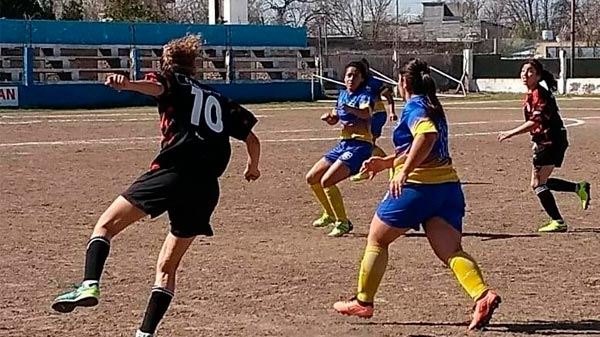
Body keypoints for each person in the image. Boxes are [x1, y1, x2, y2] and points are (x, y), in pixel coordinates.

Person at [51, 35, 261, 337]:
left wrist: (127, 85)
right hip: (205, 188)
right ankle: (144, 334)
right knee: (166, 268)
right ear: (194, 66)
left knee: (105, 227)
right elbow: (252, 138)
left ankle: (89, 284)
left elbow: (158, 87)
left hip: (173, 172)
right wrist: (252, 166)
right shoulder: (218, 97)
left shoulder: (170, 79)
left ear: (166, 63)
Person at [333, 59, 501, 331]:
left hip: (419, 188)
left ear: (404, 83)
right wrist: (387, 163)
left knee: (377, 238)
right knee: (451, 251)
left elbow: (426, 137)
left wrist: (403, 172)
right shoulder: (433, 105)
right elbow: (417, 146)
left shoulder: (414, 106)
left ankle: (363, 301)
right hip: (448, 188)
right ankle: (482, 295)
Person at [498, 59, 591, 233]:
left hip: (552, 141)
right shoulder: (532, 94)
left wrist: (510, 133)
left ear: (538, 75)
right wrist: (535, 141)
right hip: (546, 141)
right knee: (539, 183)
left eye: (530, 71)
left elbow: (535, 121)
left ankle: (558, 221)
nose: (525, 75)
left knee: (539, 183)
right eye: (523, 71)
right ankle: (579, 188)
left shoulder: (539, 94)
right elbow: (538, 124)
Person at [306, 61, 374, 237]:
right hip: (343, 144)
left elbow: (366, 113)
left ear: (362, 78)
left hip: (360, 145)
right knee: (312, 177)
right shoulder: (342, 95)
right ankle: (329, 214)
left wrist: (350, 109)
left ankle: (343, 222)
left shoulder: (364, 95)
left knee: (327, 181)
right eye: (348, 75)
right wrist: (329, 118)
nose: (351, 78)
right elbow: (335, 118)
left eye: (355, 75)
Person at [350, 58, 397, 182]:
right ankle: (390, 165)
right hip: (366, 116)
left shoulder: (374, 83)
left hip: (377, 114)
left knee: (367, 143)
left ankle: (373, 169)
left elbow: (388, 97)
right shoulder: (357, 83)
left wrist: (392, 111)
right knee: (368, 143)